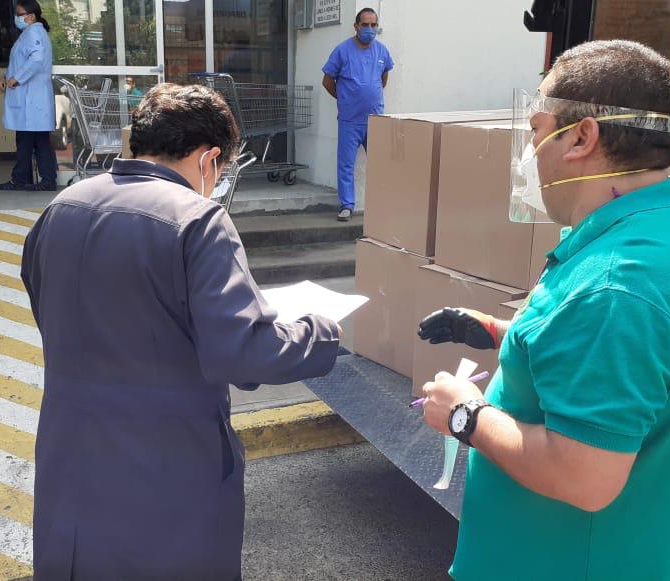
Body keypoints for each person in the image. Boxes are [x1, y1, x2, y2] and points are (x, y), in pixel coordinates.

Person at [416, 40, 670, 580]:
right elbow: (613, 358)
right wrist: (501, 331)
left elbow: (584, 477)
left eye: (538, 131)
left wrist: (464, 413)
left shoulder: (618, 287)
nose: (530, 151)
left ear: (582, 137)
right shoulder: (660, 228)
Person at [22, 83, 342, 579]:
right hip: (166, 473)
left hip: (70, 461)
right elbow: (242, 352)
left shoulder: (63, 206)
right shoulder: (198, 220)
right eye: (222, 169)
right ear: (208, 159)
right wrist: (320, 333)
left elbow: (46, 300)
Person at [322, 7, 393, 221]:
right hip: (350, 121)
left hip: (375, 120)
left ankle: (382, 205)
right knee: (345, 165)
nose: (370, 29)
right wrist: (345, 99)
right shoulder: (342, 50)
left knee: (380, 163)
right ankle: (347, 206)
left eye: (374, 25)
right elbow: (327, 81)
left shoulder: (382, 51)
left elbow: (383, 77)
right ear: (356, 26)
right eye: (365, 25)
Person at [0, 0, 57, 192]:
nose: (16, 18)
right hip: (30, 99)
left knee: (28, 142)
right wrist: (6, 76)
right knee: (36, 141)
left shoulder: (34, 33)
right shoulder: (30, 33)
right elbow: (20, 62)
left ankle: (23, 179)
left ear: (30, 17)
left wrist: (16, 79)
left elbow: (36, 60)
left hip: (31, 100)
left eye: (19, 14)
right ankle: (42, 179)